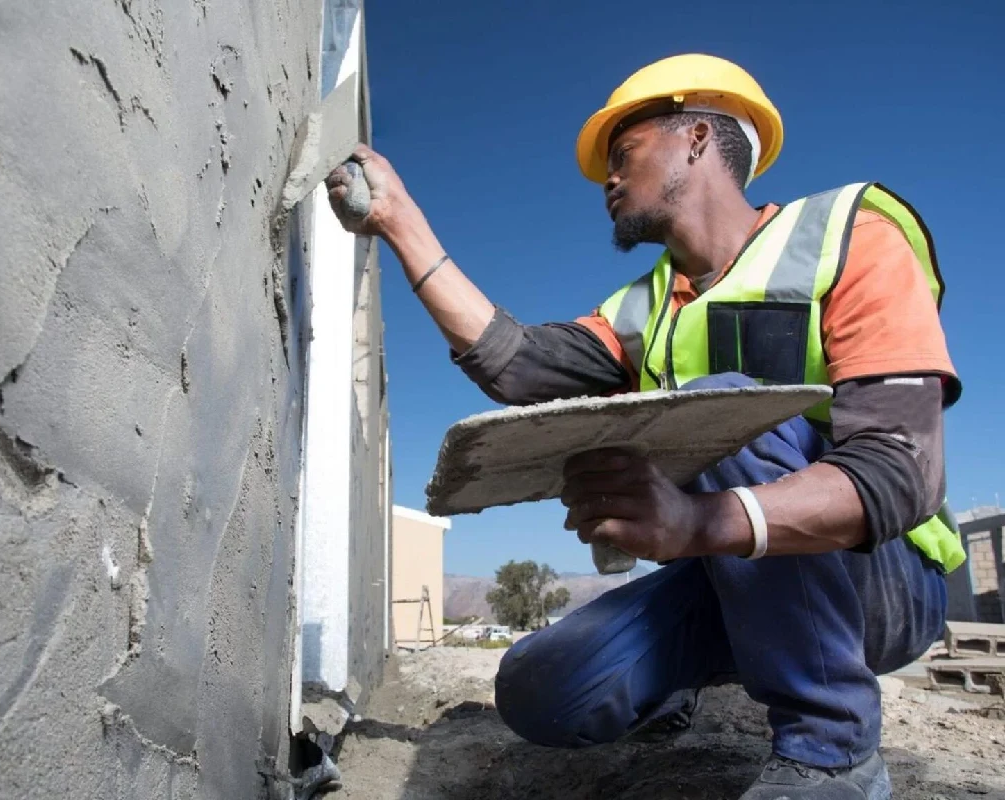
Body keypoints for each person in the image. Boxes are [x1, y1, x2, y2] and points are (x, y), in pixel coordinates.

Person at [326, 53, 963, 800]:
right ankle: (695, 682)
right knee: (542, 687)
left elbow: (900, 473)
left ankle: (833, 749)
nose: (608, 178)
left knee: (726, 403)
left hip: (883, 582)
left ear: (695, 137)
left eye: (622, 152)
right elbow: (518, 365)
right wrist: (400, 221)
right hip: (738, 574)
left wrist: (696, 521)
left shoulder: (847, 234)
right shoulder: (642, 308)